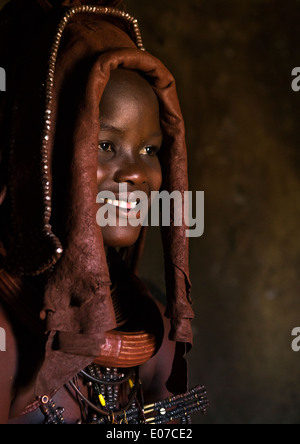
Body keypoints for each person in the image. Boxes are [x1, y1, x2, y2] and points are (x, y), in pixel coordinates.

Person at [0, 0, 205, 424]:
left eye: (150, 150)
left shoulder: (149, 323)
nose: (136, 173)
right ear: (40, 153)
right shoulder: (6, 337)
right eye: (105, 145)